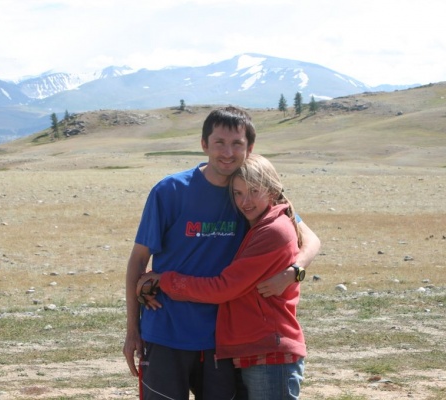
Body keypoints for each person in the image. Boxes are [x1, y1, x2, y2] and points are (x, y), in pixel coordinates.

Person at [122, 106, 320, 400]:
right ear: (204, 144)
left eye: (237, 143)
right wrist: (132, 331)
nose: (227, 153)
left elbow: (310, 239)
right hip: (165, 331)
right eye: (219, 143)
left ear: (250, 147)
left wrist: (293, 272)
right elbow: (138, 260)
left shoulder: (252, 195)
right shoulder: (170, 190)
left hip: (222, 340)